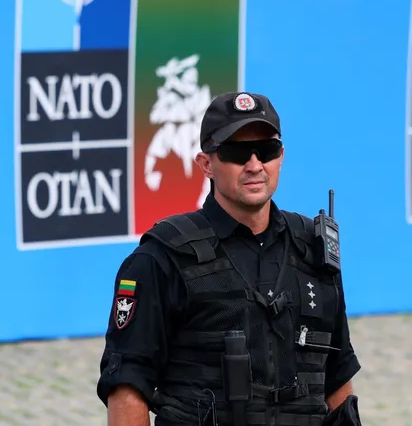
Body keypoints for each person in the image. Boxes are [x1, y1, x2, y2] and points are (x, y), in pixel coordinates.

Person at [96, 91, 363, 426]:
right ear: (206, 163)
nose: (254, 165)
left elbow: (337, 377)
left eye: (266, 151)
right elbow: (127, 386)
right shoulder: (163, 257)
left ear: (280, 156)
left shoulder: (314, 250)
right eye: (236, 153)